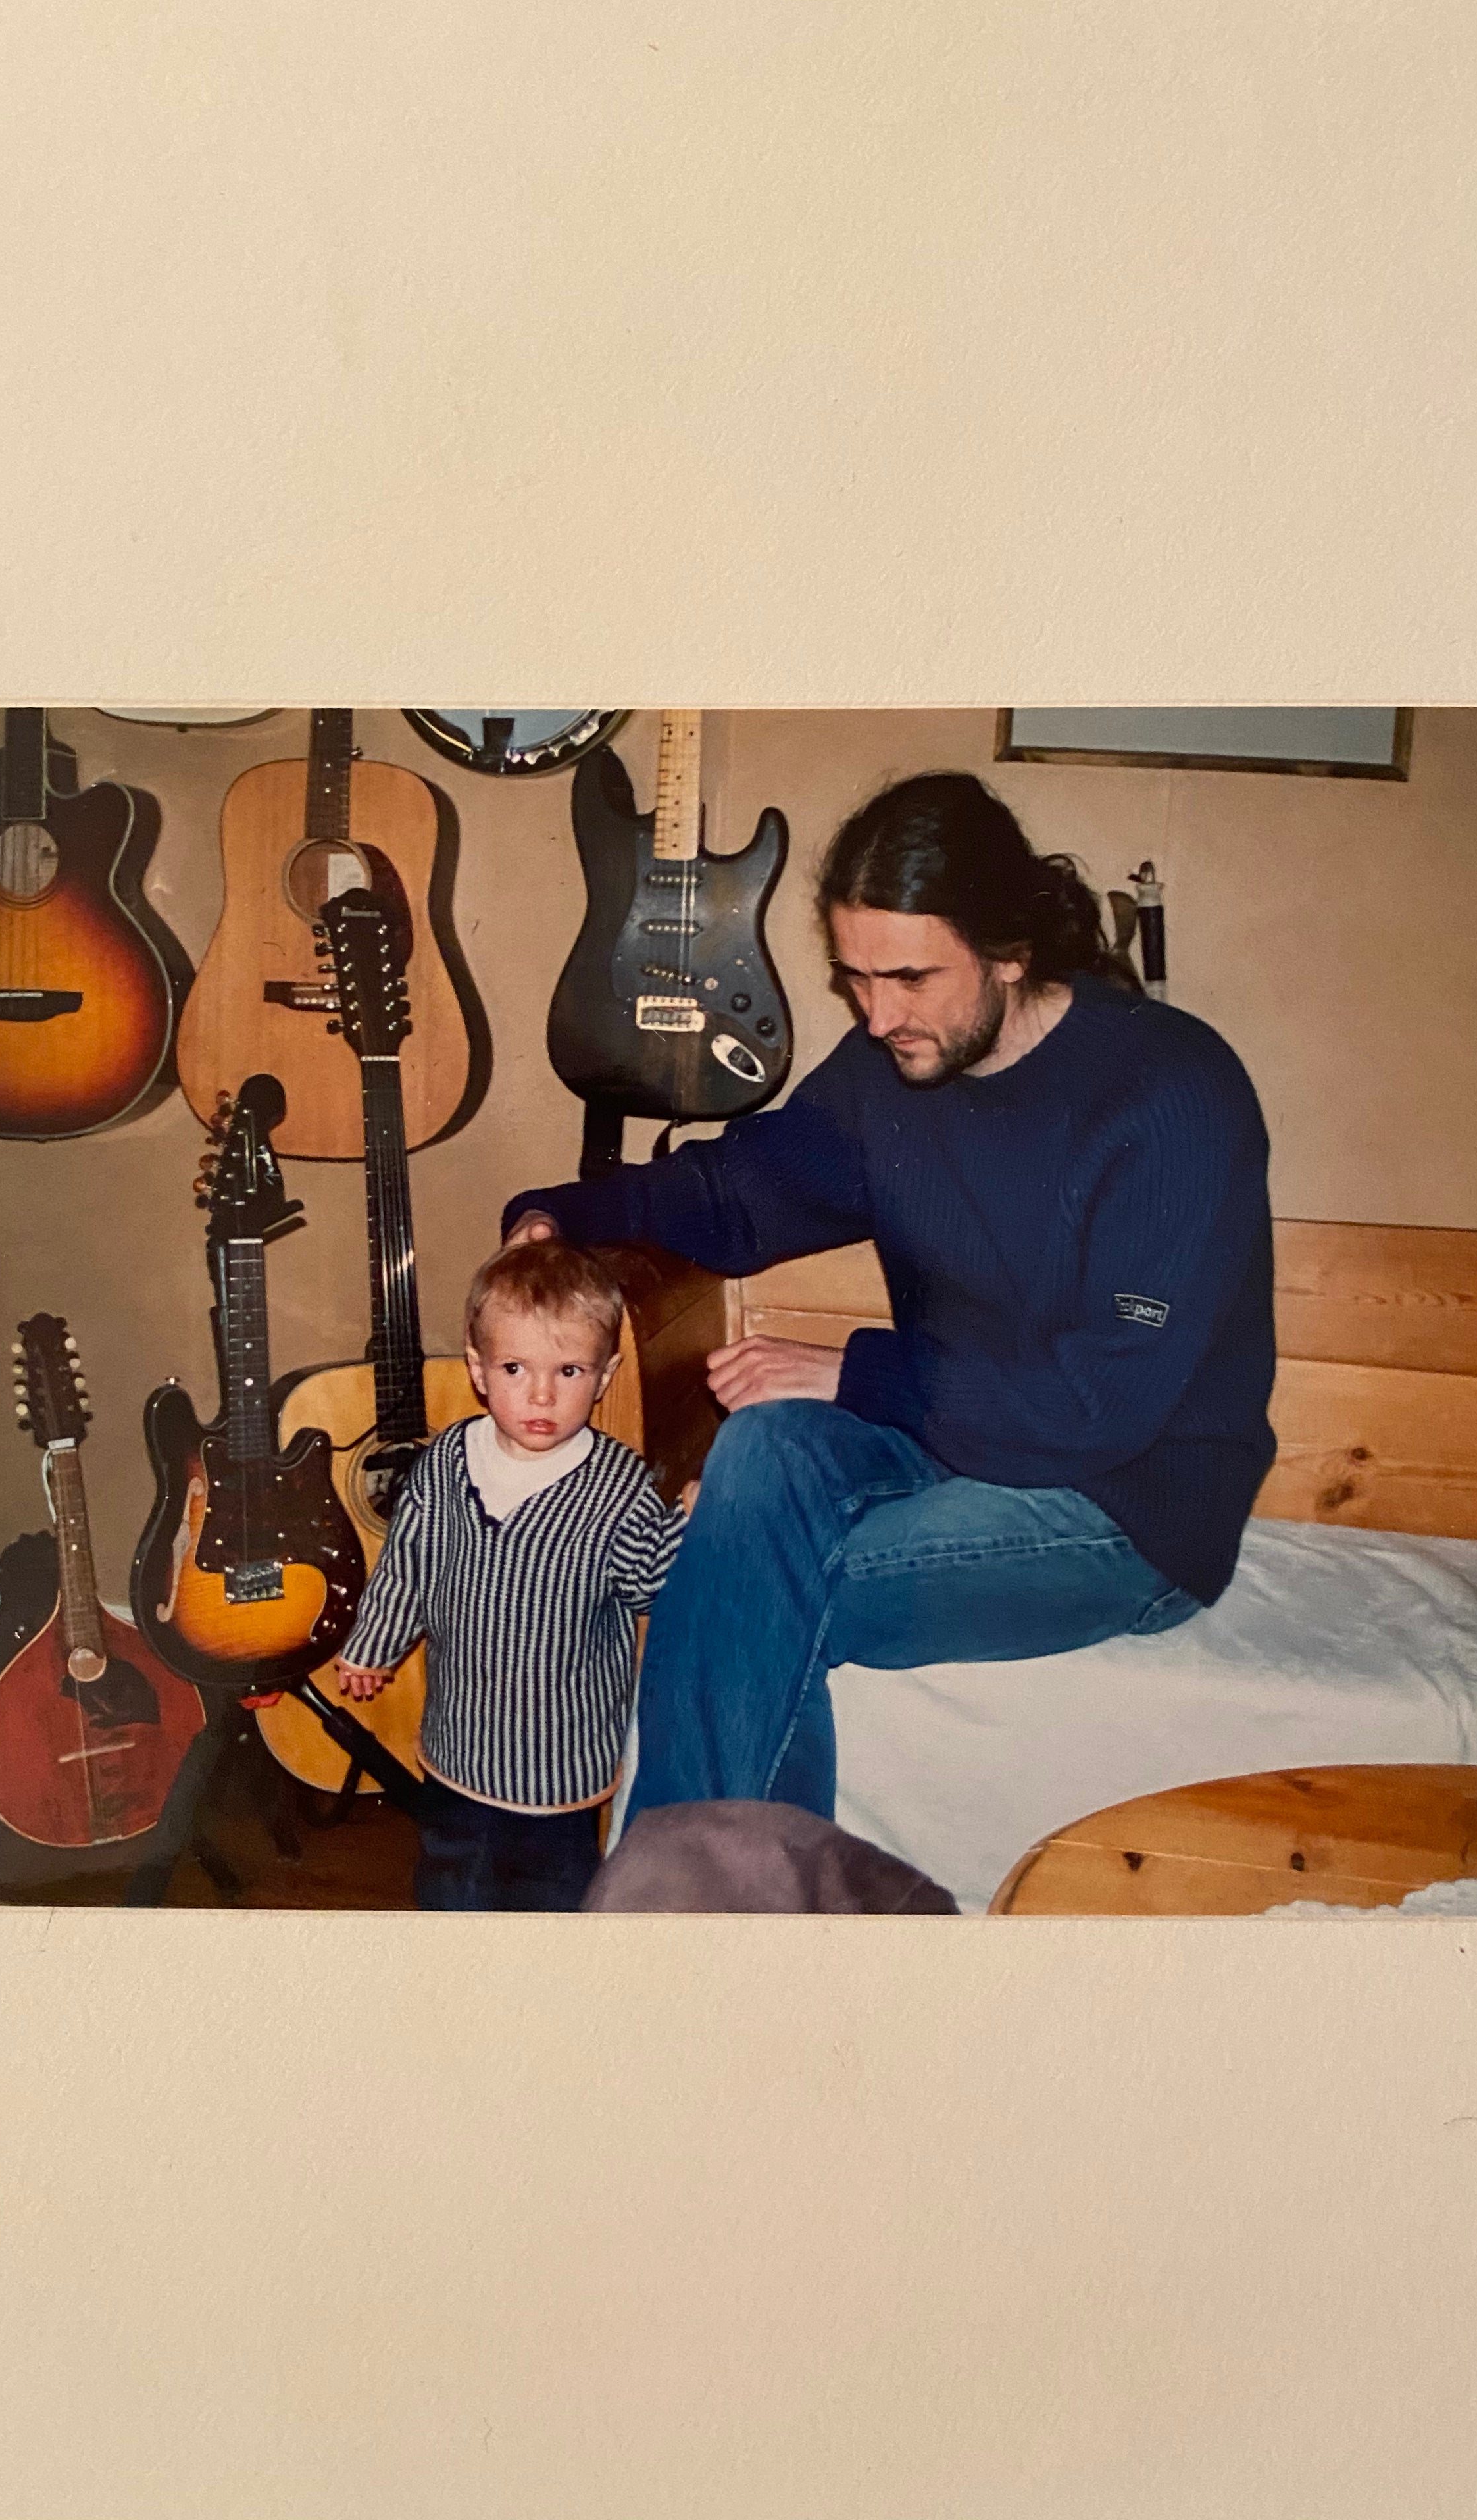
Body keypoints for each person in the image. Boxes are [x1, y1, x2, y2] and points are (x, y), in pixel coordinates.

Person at [501, 769, 1276, 1827]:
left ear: (1010, 951)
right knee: (765, 1445)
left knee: (744, 1589)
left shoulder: (1171, 1094)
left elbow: (1102, 1407)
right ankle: (727, 1909)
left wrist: (853, 1370)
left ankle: (691, 1924)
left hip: (1126, 1502)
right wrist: (565, 1213)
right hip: (952, 1437)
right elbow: (740, 1193)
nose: (877, 1016)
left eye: (911, 977)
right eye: (855, 978)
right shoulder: (889, 1072)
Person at [332, 1238, 688, 1909]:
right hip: (461, 1741)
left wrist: (688, 1524)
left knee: (553, 1894)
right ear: (479, 1369)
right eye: (517, 1368)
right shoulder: (445, 1465)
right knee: (452, 1879)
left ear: (605, 1376)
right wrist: (373, 1644)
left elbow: (648, 1585)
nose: (543, 1394)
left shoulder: (617, 1486)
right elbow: (410, 1562)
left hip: (560, 1759)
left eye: (571, 1372)